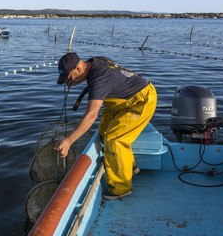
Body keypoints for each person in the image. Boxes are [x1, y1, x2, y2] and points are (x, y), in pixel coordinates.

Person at [54, 52, 157, 200]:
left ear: (78, 68)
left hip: (141, 101)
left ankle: (121, 187)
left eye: (69, 77)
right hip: (122, 101)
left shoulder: (98, 79)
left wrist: (69, 140)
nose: (68, 82)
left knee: (114, 139)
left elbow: (91, 116)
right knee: (102, 132)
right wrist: (75, 80)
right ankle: (130, 167)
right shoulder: (94, 62)